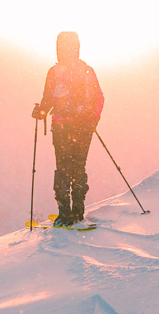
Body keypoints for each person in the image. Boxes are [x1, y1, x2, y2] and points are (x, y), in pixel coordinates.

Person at [32, 31, 104, 227]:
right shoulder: (87, 70)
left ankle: (64, 213)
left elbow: (47, 100)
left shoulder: (55, 72)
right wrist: (92, 121)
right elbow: (100, 99)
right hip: (84, 127)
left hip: (62, 126)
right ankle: (78, 212)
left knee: (63, 168)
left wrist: (40, 112)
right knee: (79, 167)